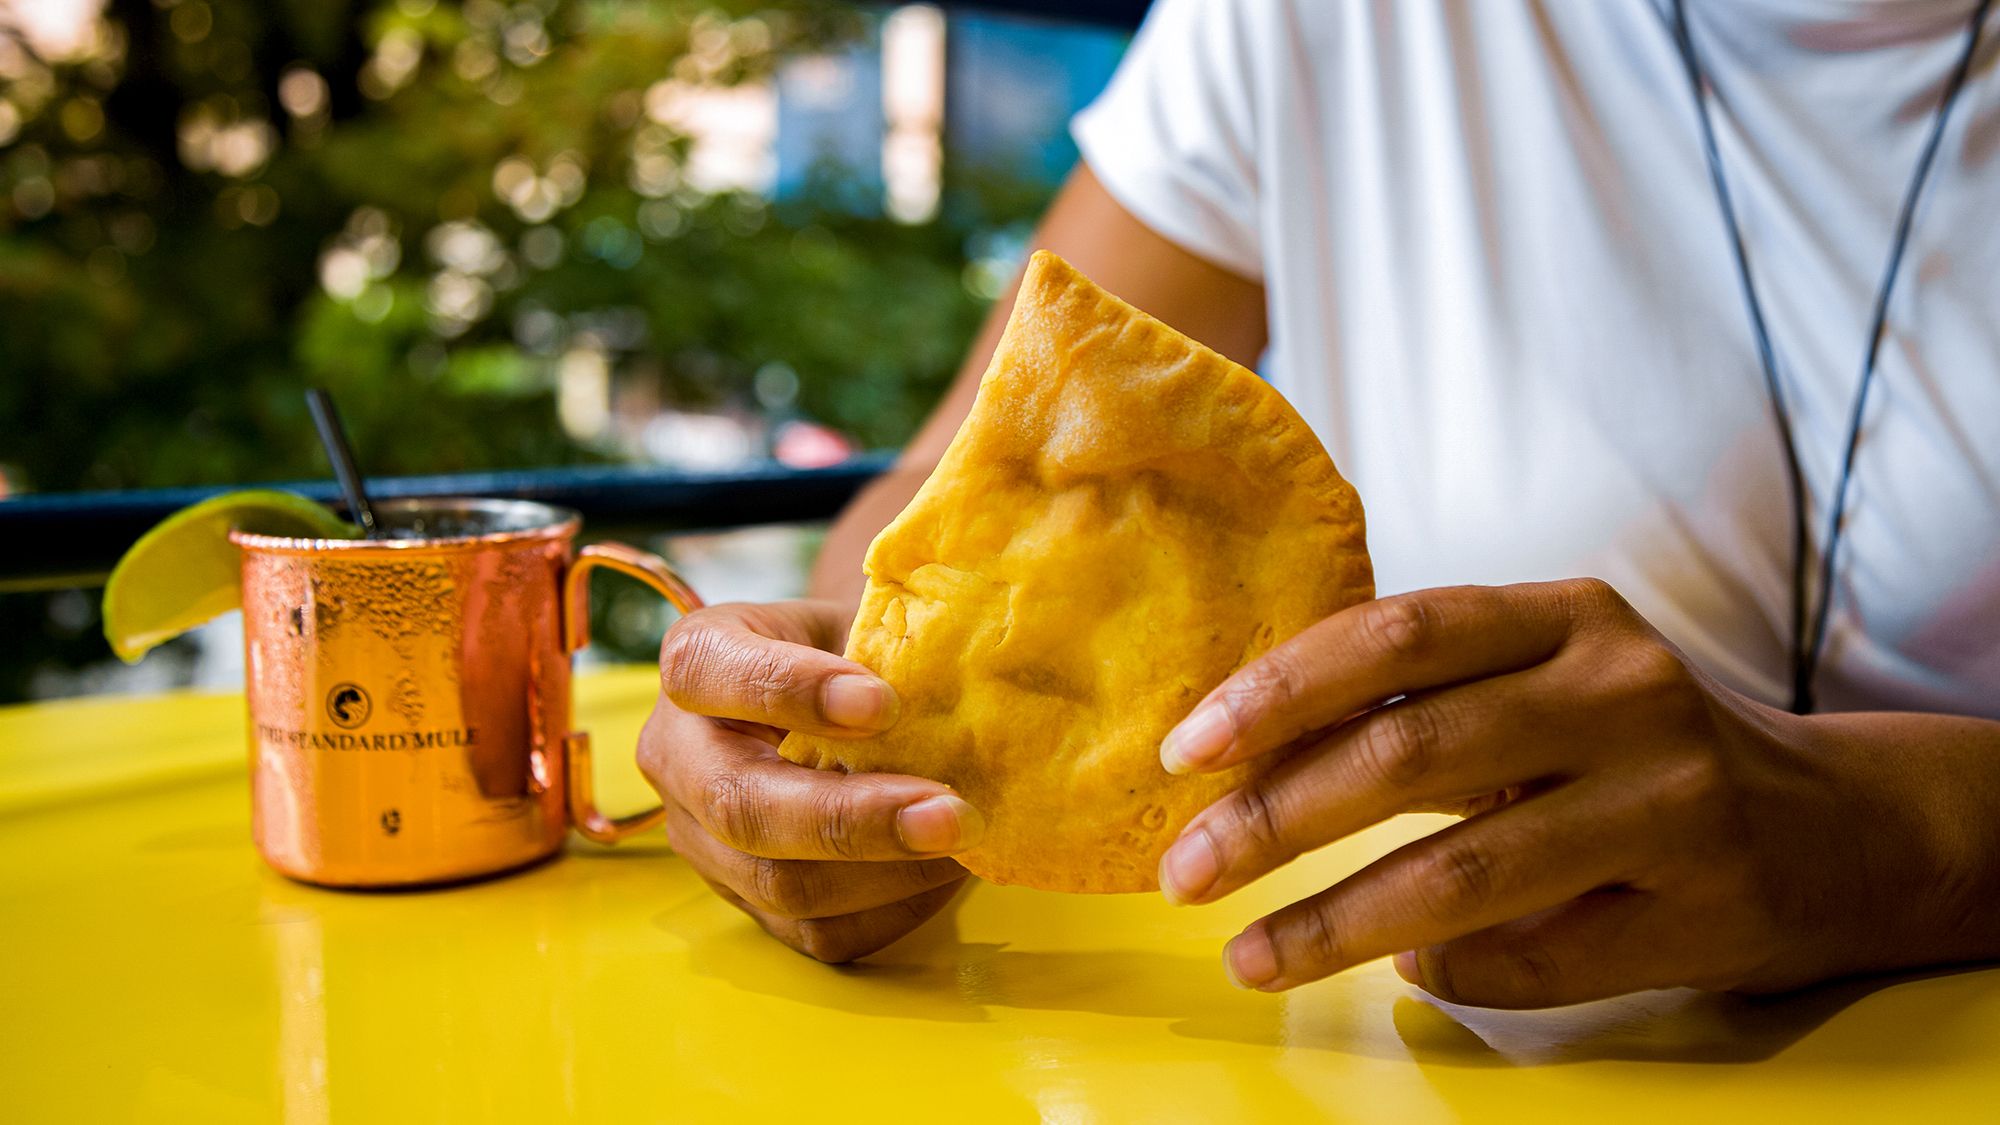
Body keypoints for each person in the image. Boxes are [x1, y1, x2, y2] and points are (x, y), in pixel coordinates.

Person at [635, 0, 2000, 1009]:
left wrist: (1905, 835)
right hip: (1430, 1056)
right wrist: (815, 724)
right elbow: (933, 504)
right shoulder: (1323, 23)